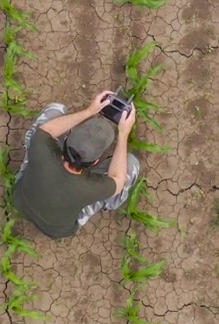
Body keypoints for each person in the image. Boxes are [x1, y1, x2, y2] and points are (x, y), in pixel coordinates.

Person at [12, 91, 140, 239]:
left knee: (56, 110)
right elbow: (118, 180)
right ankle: (109, 203)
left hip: (20, 201)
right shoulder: (92, 187)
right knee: (131, 164)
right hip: (57, 229)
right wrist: (123, 134)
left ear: (66, 139)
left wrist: (89, 111)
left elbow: (48, 130)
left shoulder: (41, 149)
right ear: (95, 162)